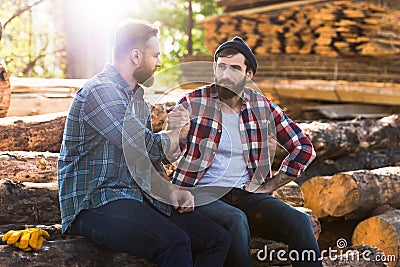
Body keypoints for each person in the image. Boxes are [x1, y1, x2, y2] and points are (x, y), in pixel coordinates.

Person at [57, 18, 230, 267]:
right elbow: (137, 146)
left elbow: (145, 163)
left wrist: (172, 192)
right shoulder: (99, 91)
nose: (159, 63)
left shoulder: (137, 102)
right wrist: (173, 134)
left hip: (134, 199)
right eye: (156, 55)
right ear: (136, 56)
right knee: (175, 242)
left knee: (217, 239)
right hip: (94, 204)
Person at [172, 36, 322, 267]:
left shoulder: (262, 107)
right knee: (235, 220)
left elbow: (303, 148)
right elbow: (162, 148)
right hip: (202, 194)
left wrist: (269, 186)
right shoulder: (193, 102)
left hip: (247, 194)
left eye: (235, 68)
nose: (226, 74)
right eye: (221, 66)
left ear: (248, 74)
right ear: (214, 68)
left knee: (300, 221)